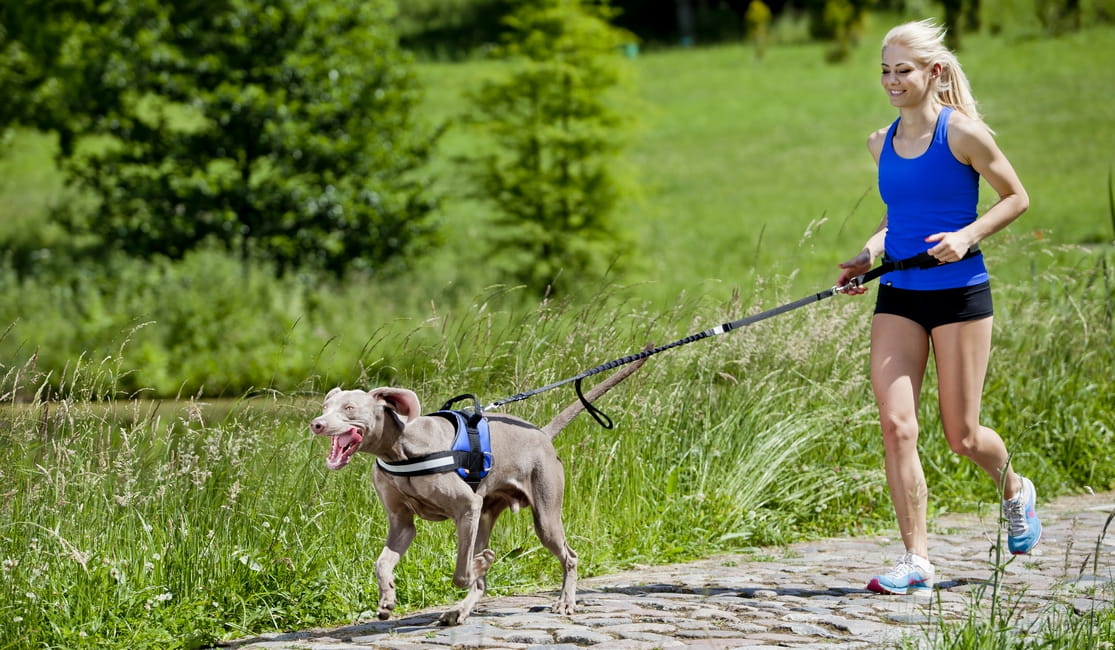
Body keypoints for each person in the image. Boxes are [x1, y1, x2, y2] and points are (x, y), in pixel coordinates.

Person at [835, 19, 1041, 595]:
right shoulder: (881, 142)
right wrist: (868, 252)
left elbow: (1016, 197)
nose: (892, 80)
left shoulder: (963, 134)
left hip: (959, 296)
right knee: (897, 425)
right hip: (898, 294)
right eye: (885, 70)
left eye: (904, 70)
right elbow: (898, 214)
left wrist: (969, 235)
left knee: (963, 435)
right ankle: (917, 559)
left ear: (934, 72)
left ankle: (1013, 489)